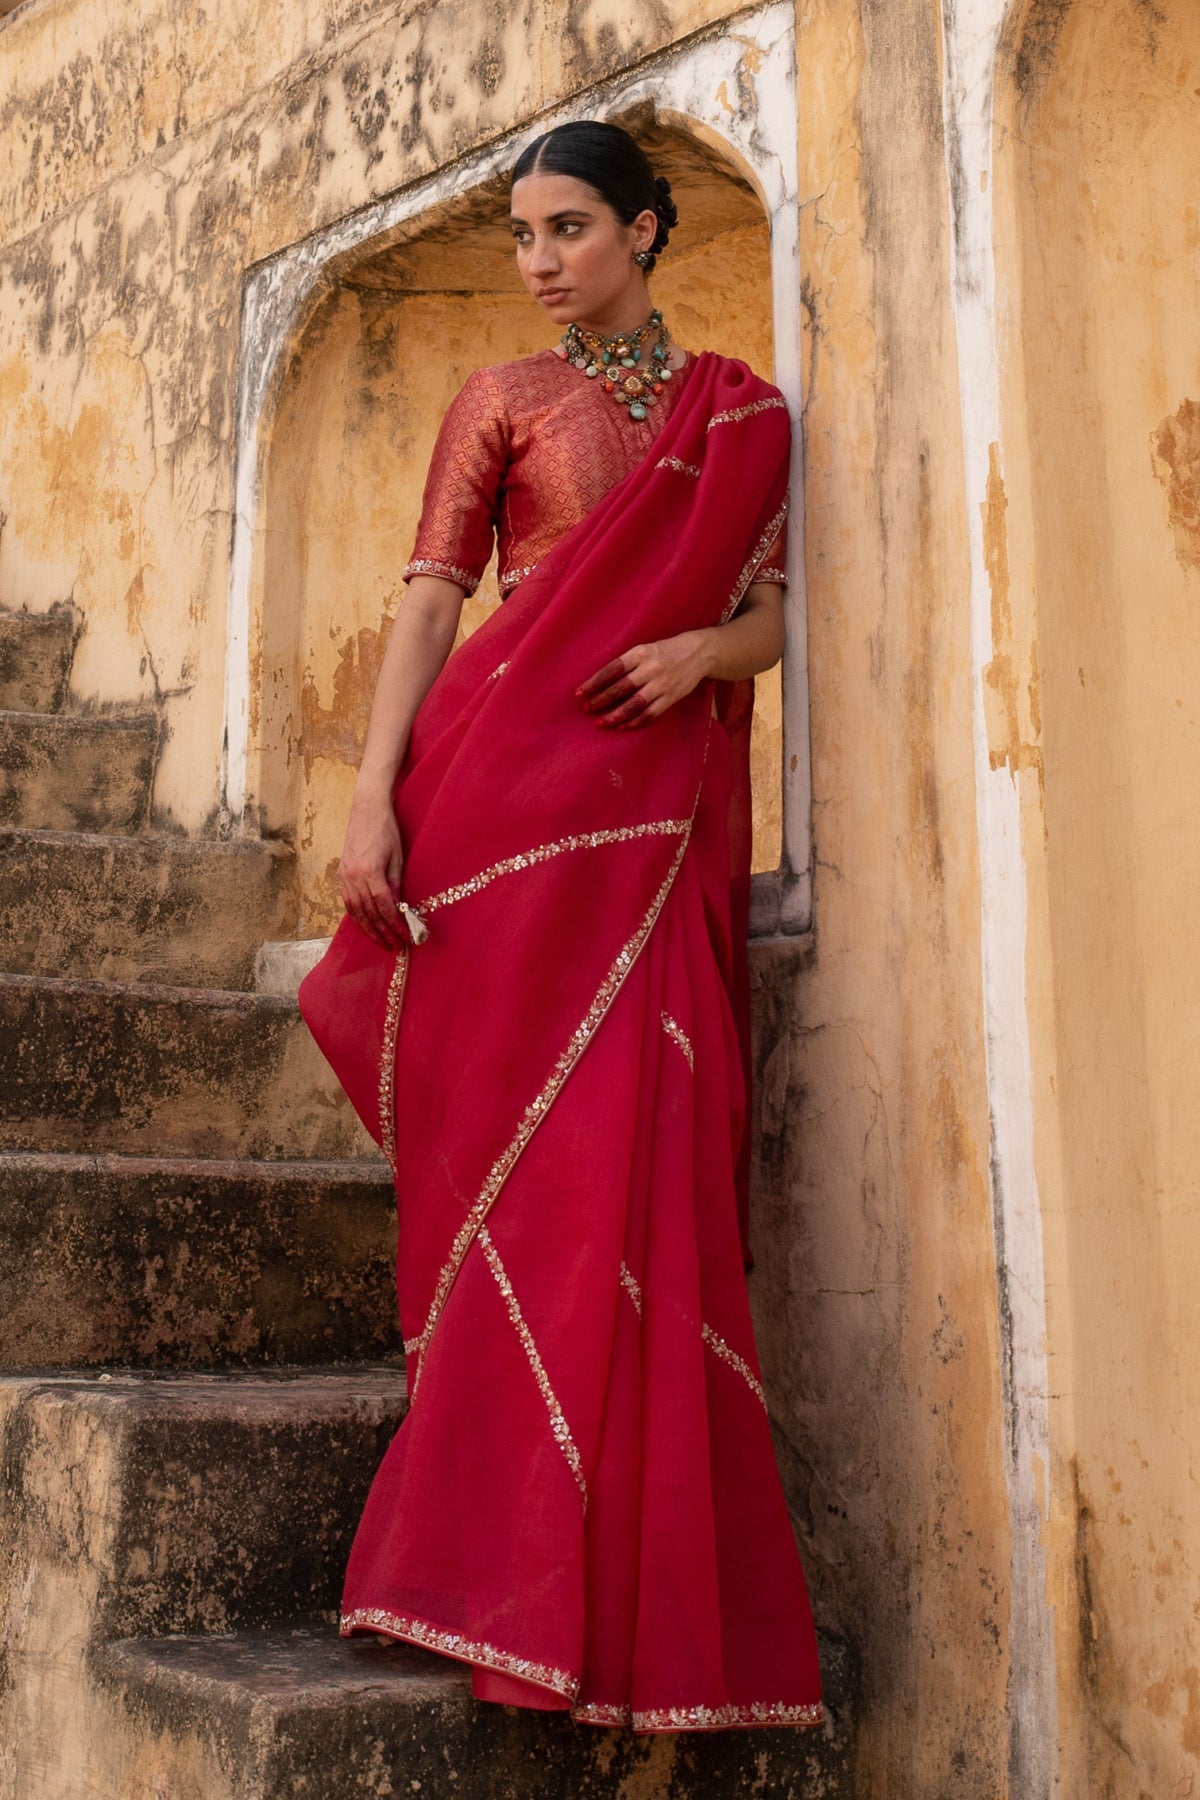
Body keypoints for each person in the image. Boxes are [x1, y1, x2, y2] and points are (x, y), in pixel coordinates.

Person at [298, 118, 822, 1732]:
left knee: (634, 1167)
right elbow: (434, 603)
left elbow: (780, 611)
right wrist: (373, 796)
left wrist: (705, 661)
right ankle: (495, 1566)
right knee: (511, 1172)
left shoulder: (742, 412)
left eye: (571, 228)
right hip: (498, 804)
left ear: (653, 232)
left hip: (650, 834)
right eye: (523, 234)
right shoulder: (503, 403)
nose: (539, 262)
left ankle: (624, 1603)